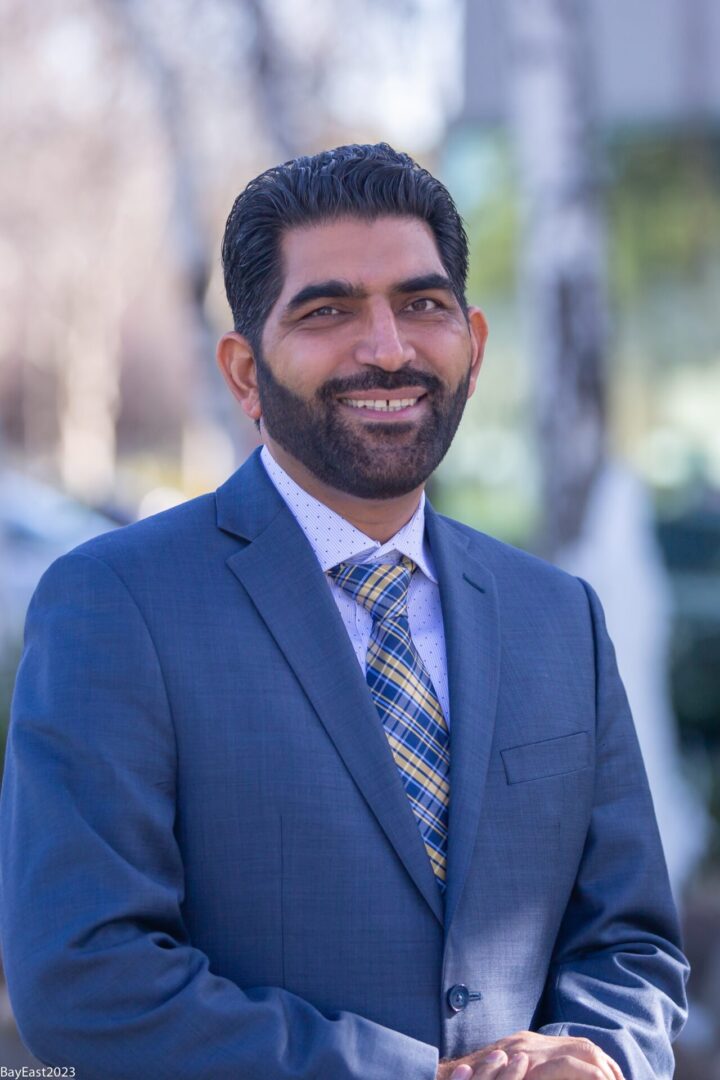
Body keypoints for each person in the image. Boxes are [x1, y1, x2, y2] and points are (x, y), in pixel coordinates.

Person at [0, 143, 688, 1080]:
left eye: (422, 304)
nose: (389, 348)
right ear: (245, 372)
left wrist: (602, 1057)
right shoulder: (116, 606)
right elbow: (84, 981)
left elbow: (633, 943)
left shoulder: (558, 617)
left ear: (474, 347)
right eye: (328, 310)